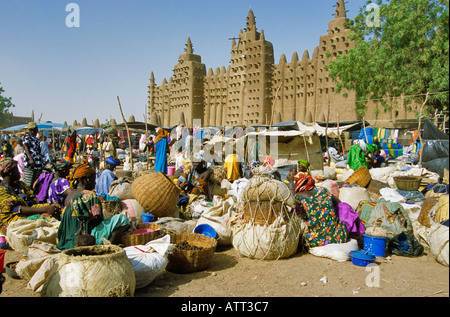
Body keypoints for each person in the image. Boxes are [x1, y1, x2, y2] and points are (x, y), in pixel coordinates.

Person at [57, 162, 130, 250]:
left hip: (69, 237)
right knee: (121, 219)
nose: (95, 182)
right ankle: (109, 247)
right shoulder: (90, 196)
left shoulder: (69, 195)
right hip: (84, 239)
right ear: (87, 178)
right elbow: (97, 221)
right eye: (93, 178)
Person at [0, 158, 59, 235]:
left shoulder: (19, 185)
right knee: (44, 218)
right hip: (12, 220)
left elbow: (32, 199)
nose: (19, 171)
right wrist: (44, 209)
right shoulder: (2, 190)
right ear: (10, 173)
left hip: (28, 211)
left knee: (55, 208)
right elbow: (17, 209)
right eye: (16, 169)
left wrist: (44, 205)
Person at [294, 172, 348, 248]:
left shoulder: (298, 197)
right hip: (338, 237)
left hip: (314, 241)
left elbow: (292, 212)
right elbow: (340, 204)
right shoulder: (323, 190)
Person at [22, 122, 44, 188]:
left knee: (36, 183)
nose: (37, 131)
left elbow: (38, 151)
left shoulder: (36, 139)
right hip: (30, 165)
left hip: (38, 165)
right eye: (36, 129)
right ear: (32, 130)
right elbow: (26, 146)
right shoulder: (27, 137)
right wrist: (30, 158)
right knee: (28, 184)